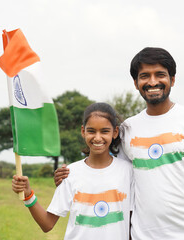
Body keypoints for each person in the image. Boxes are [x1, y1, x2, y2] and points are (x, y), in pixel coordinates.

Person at [55, 47, 184, 240]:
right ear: (136, 83)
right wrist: (69, 177)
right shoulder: (127, 129)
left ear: (172, 79)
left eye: (160, 75)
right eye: (144, 76)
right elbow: (114, 178)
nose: (153, 81)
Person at [12, 102, 134, 240]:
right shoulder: (70, 173)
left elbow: (131, 225)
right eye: (91, 131)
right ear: (83, 131)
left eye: (105, 131)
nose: (97, 137)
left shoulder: (128, 171)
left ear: (115, 132)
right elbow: (47, 224)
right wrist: (28, 195)